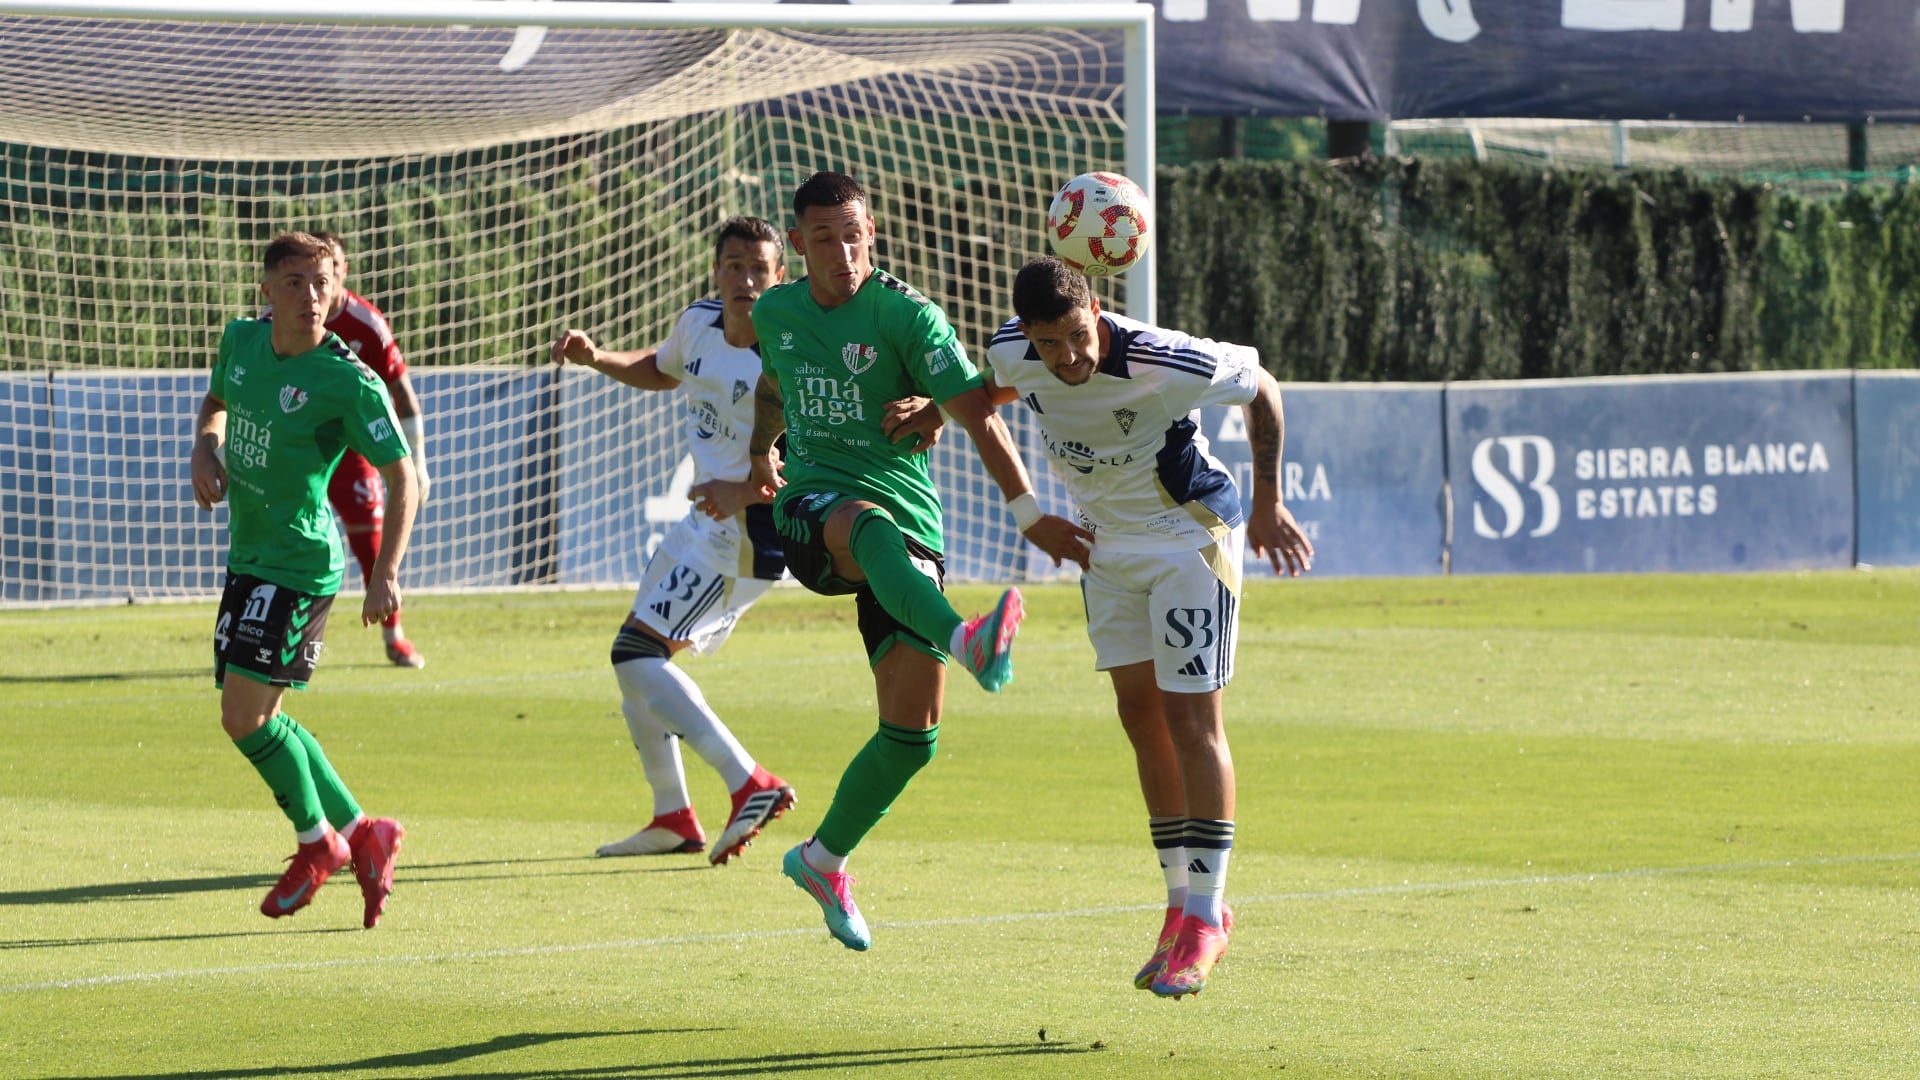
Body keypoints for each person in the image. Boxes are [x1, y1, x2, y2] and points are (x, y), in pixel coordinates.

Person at [697, 171, 1090, 952]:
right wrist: (764, 449)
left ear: (871, 233)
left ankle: (822, 858)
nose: (841, 253)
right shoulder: (774, 309)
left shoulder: (908, 314)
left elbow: (979, 411)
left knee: (912, 735)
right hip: (816, 513)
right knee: (862, 520)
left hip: (912, 536)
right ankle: (970, 639)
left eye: (853, 236)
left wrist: (1026, 509)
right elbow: (769, 371)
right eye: (822, 239)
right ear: (797, 246)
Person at [979, 256, 1315, 998]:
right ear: (1029, 335)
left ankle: (1208, 916)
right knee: (1140, 718)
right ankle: (1175, 907)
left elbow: (1263, 387)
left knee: (1194, 721)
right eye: (1050, 344)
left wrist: (1268, 500)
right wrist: (1030, 516)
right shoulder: (1014, 351)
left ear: (1095, 309)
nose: (1068, 358)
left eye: (1077, 336)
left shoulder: (1165, 357)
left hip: (1189, 540)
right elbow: (980, 402)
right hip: (1105, 546)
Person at [549, 216, 800, 866]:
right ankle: (673, 816)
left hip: (754, 530)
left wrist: (744, 494)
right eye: (733, 266)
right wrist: (599, 358)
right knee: (637, 657)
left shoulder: (787, 352)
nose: (745, 279)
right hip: (710, 523)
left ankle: (751, 782)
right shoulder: (698, 323)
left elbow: (808, 459)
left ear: (780, 277)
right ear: (717, 273)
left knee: (636, 654)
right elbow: (663, 370)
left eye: (759, 268)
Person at [189, 231, 416, 927]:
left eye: (322, 283)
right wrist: (204, 446)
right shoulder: (242, 342)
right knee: (262, 715)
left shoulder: (348, 379)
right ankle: (363, 830)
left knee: (242, 716)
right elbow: (215, 403)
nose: (312, 297)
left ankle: (319, 844)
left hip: (299, 565)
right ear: (267, 292)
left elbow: (406, 478)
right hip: (249, 556)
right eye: (294, 282)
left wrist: (385, 574)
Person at [264, 230, 431, 668]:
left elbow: (403, 394)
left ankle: (395, 635)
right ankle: (270, 633)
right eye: (306, 278)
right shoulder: (278, 318)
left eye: (329, 272)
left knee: (372, 545)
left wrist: (418, 465)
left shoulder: (367, 324)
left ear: (342, 271)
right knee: (276, 541)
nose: (319, 285)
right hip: (297, 448)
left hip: (351, 453)